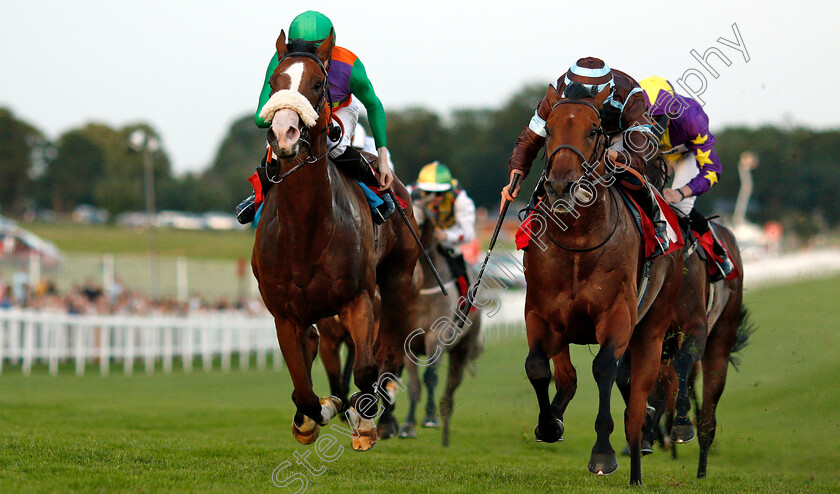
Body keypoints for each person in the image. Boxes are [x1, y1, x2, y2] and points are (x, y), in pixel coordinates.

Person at [237, 10, 395, 224]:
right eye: (297, 51)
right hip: (299, 111)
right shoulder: (281, 62)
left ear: (329, 48)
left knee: (333, 146)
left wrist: (383, 157)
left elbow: (374, 105)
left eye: (315, 52)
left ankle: (374, 195)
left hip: (340, 109)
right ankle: (257, 198)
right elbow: (259, 118)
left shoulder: (350, 66)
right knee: (275, 148)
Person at [503, 57, 671, 258]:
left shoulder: (630, 94)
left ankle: (656, 227)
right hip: (578, 133)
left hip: (620, 135)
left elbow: (642, 155)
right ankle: (532, 226)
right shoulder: (558, 91)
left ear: (605, 93)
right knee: (557, 166)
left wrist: (613, 155)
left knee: (633, 175)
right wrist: (516, 174)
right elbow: (530, 138)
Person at [639, 76, 734, 280]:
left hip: (683, 156)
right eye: (645, 117)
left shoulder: (692, 118)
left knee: (680, 209)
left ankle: (717, 255)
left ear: (671, 112)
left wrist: (680, 192)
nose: (650, 124)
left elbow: (712, 170)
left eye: (656, 118)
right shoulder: (628, 109)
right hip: (651, 154)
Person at [412, 162, 476, 305]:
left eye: (439, 194)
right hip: (420, 242)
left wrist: (446, 235)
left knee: (461, 274)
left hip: (448, 244)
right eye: (427, 193)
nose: (433, 198)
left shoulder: (460, 199)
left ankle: (464, 304)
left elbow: (469, 233)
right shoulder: (410, 192)